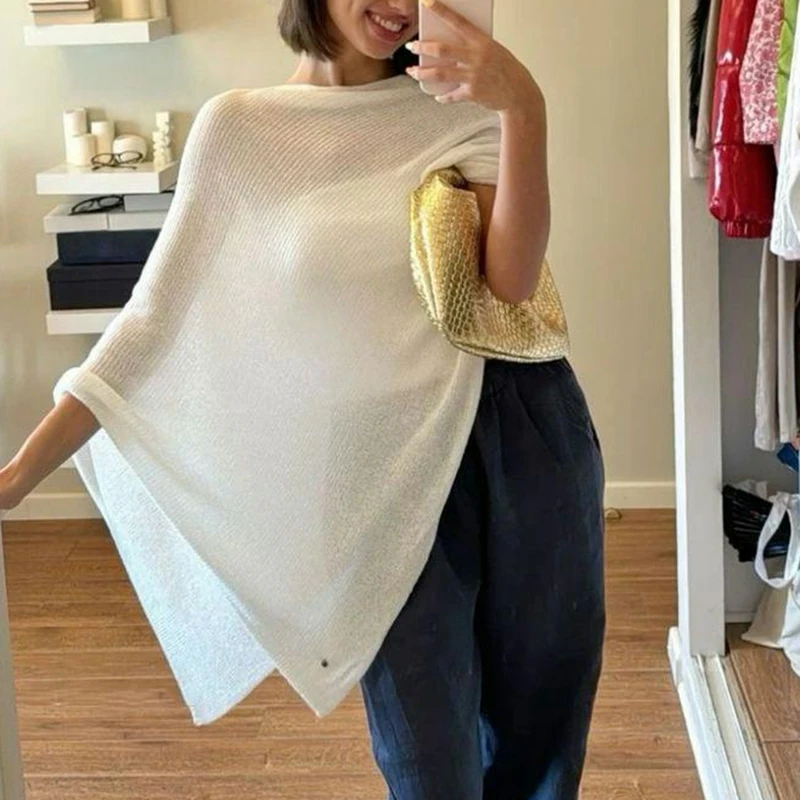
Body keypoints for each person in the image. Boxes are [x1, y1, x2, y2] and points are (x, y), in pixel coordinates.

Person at [0, 1, 605, 797]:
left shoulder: (460, 106)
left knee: (541, 735)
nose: (400, 7)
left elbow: (510, 284)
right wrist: (17, 476)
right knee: (427, 761)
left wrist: (523, 107)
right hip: (374, 465)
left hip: (519, 431)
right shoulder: (241, 128)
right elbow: (151, 323)